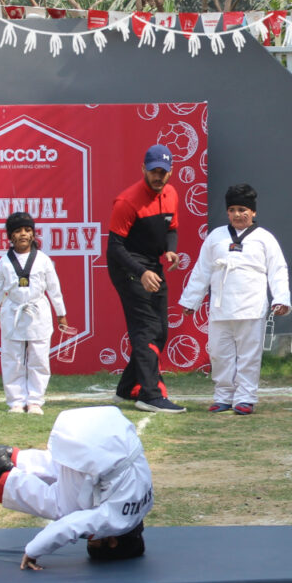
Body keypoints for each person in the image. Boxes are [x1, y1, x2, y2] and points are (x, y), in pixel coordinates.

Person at [0, 405, 153, 569]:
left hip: (106, 424)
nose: (89, 539)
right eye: (92, 542)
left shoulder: (145, 503)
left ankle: (14, 456)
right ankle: (3, 477)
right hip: (89, 446)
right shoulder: (115, 522)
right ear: (112, 541)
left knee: (69, 467)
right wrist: (33, 551)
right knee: (64, 507)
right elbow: (70, 525)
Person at [178, 184, 291, 415]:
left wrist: (280, 299)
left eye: (242, 210)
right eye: (232, 210)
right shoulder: (216, 237)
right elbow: (202, 270)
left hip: (251, 307)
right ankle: (223, 396)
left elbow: (278, 270)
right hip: (221, 307)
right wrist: (191, 300)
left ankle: (245, 397)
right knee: (219, 354)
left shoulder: (265, 238)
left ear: (253, 212)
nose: (237, 215)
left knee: (249, 356)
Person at [107, 144, 186, 413]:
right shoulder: (127, 201)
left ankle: (127, 388)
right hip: (127, 266)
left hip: (152, 264)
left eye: (163, 172)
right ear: (143, 169)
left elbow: (171, 229)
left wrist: (170, 249)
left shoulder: (171, 194)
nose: (158, 176)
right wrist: (141, 272)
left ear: (170, 172)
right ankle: (150, 395)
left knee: (160, 330)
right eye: (153, 171)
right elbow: (114, 248)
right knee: (147, 329)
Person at [0, 212, 67, 415]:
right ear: (10, 236)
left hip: (38, 312)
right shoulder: (4, 262)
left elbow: (54, 288)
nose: (23, 234)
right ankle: (16, 402)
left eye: (27, 230)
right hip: (13, 312)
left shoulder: (43, 260)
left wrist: (61, 313)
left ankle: (35, 401)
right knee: (12, 359)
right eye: (18, 231)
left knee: (39, 358)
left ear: (33, 234)